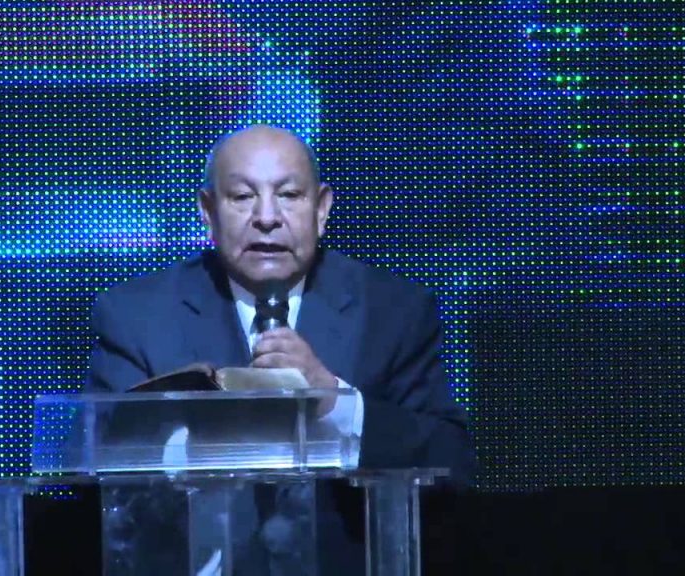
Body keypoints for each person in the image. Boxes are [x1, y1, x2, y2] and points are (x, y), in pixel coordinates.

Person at [86, 124, 475, 573]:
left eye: (289, 195)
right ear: (208, 211)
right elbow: (93, 470)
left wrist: (335, 402)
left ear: (322, 209)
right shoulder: (136, 316)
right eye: (242, 196)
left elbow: (451, 461)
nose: (267, 217)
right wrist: (191, 434)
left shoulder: (392, 311)